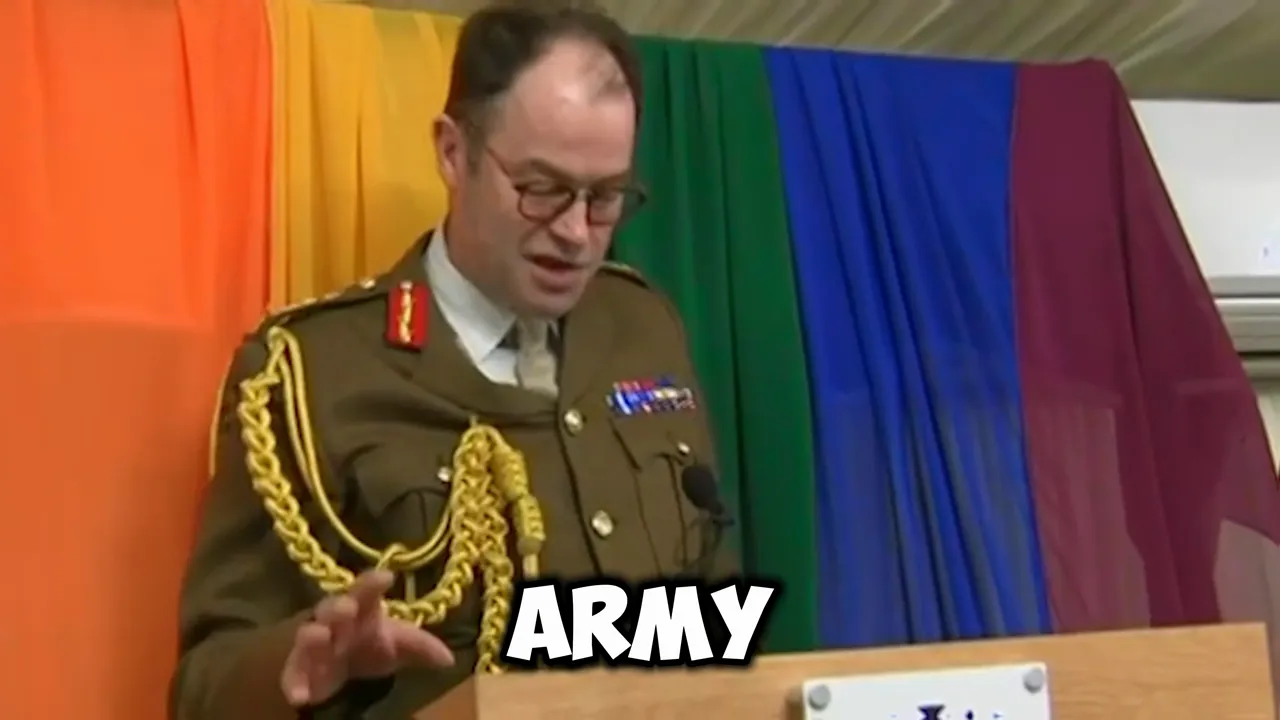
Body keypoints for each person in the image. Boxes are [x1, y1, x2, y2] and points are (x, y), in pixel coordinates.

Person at [169, 2, 738, 718]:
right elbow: (202, 691)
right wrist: (301, 661)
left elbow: (713, 604)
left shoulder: (643, 326)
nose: (575, 233)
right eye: (541, 189)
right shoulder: (307, 376)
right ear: (451, 152)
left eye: (605, 198)